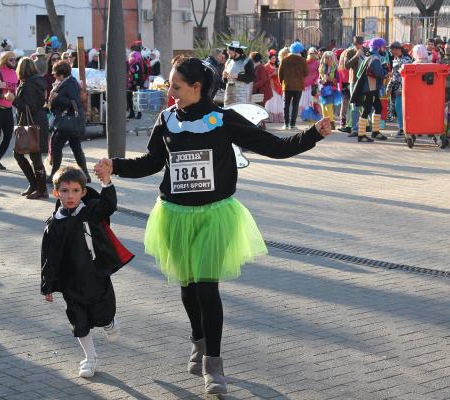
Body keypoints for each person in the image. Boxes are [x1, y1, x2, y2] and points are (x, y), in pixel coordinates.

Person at [94, 56, 331, 395]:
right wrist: (114, 166)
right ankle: (198, 340)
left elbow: (275, 148)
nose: (170, 92)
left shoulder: (223, 120)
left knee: (207, 287)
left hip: (213, 215)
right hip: (175, 215)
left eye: (176, 86)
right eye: (170, 86)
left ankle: (213, 364)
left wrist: (313, 134)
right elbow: (151, 162)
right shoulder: (167, 120)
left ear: (197, 87)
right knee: (188, 287)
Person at [41, 166, 131, 378]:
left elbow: (109, 205)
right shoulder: (54, 224)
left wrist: (107, 181)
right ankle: (90, 358)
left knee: (103, 314)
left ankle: (109, 323)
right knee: (79, 322)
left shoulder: (90, 211)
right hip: (70, 282)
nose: (69, 196)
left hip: (96, 275)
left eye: (74, 190)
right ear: (56, 193)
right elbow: (48, 257)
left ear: (83, 192)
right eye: (64, 191)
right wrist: (48, 284)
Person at [48, 60, 92, 182]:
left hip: (68, 121)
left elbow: (74, 102)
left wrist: (58, 97)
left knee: (56, 146)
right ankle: (86, 175)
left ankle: (54, 174)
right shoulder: (64, 82)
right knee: (76, 148)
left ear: (61, 74)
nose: (54, 76)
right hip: (70, 122)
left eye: (55, 74)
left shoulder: (70, 83)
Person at [12, 57, 49, 199]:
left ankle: (41, 188)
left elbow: (30, 107)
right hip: (38, 121)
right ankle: (36, 185)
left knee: (27, 155)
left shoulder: (28, 84)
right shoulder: (37, 81)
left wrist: (13, 100)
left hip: (32, 122)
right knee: (31, 155)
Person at [350, 37, 388, 142]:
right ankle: (361, 135)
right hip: (370, 87)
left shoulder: (369, 55)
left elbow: (359, 73)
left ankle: (375, 132)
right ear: (378, 47)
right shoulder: (374, 58)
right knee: (367, 109)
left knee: (378, 107)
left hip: (371, 87)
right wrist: (386, 72)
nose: (384, 49)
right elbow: (379, 74)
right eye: (383, 47)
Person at [278, 41, 308, 129]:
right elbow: (306, 73)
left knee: (286, 105)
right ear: (300, 51)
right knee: (295, 105)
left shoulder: (284, 60)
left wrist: (282, 83)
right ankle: (293, 124)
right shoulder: (303, 60)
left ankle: (286, 124)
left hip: (287, 86)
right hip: (298, 86)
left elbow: (280, 73)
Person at [386, 41, 412, 138]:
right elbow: (393, 75)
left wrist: (402, 88)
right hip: (395, 87)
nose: (390, 51)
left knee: (400, 108)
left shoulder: (406, 60)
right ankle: (402, 128)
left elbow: (406, 76)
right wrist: (389, 87)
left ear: (397, 49)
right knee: (396, 108)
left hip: (402, 88)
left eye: (391, 49)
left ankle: (403, 129)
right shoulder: (395, 59)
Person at [344, 36, 367, 137]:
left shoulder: (367, 51)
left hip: (365, 81)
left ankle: (364, 128)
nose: (358, 46)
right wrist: (356, 56)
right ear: (354, 44)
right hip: (354, 81)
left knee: (366, 105)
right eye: (356, 44)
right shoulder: (350, 52)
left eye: (360, 44)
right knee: (354, 105)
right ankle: (354, 129)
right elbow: (347, 66)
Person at [223, 41, 255, 106]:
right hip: (228, 96)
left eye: (229, 50)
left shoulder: (247, 61)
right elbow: (225, 81)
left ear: (235, 50)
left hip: (241, 96)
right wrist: (224, 76)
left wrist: (238, 76)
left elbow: (252, 77)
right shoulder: (228, 61)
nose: (227, 52)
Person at [318, 51, 341, 130]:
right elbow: (319, 79)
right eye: (325, 57)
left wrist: (329, 78)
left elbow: (337, 80)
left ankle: (331, 124)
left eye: (328, 58)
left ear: (332, 59)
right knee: (323, 107)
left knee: (328, 106)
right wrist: (321, 81)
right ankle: (325, 124)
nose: (326, 59)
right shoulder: (321, 68)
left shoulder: (335, 69)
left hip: (331, 90)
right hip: (323, 90)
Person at [264, 48, 285, 123]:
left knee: (278, 101)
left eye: (275, 58)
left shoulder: (277, 65)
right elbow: (265, 77)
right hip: (271, 86)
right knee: (271, 101)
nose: (274, 60)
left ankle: (278, 118)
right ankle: (270, 118)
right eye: (272, 58)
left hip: (278, 85)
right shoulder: (266, 66)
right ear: (269, 58)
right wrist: (272, 74)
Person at [126, 47, 145, 119]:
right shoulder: (130, 64)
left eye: (133, 57)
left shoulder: (137, 65)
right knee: (129, 98)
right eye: (131, 57)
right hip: (131, 84)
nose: (131, 58)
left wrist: (134, 80)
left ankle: (139, 113)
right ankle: (132, 112)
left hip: (137, 84)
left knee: (136, 99)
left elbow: (136, 74)